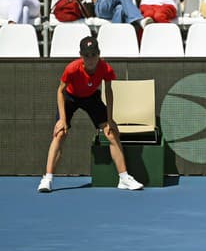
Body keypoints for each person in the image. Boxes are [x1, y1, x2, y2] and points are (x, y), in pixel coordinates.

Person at [37, 36, 144, 193]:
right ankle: (47, 179)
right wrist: (62, 119)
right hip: (70, 98)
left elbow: (108, 91)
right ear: (81, 56)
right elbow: (60, 91)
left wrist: (110, 119)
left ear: (99, 54)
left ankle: (124, 178)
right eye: (87, 55)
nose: (90, 59)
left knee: (111, 133)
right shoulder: (72, 69)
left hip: (91, 98)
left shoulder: (106, 69)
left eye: (93, 54)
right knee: (59, 134)